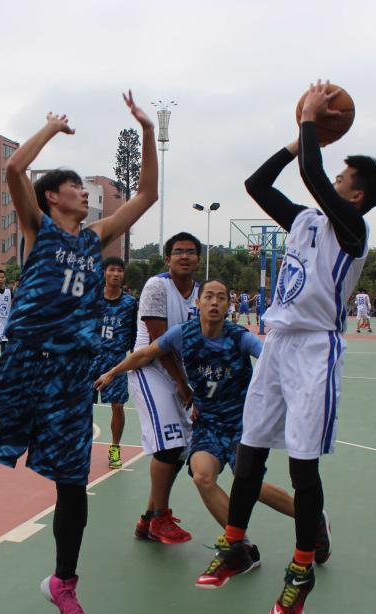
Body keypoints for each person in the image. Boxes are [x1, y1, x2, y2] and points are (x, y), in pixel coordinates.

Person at [0, 92, 157, 614]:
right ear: (54, 196)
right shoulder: (38, 228)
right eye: (76, 187)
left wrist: (147, 130)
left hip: (71, 376)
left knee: (72, 482)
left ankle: (64, 584)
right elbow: (12, 169)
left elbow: (147, 194)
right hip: (23, 364)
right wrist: (51, 128)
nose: (84, 193)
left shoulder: (95, 240)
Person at [208, 81, 376, 614]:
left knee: (303, 466)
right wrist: (296, 140)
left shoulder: (352, 228)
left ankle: (302, 567)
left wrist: (311, 119)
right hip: (277, 344)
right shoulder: (306, 222)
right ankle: (234, 542)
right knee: (249, 453)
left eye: (342, 178)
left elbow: (313, 174)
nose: (333, 180)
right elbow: (256, 184)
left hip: (315, 349)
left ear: (355, 196)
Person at [97, 279, 304, 586]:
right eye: (209, 296)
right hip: (208, 423)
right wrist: (113, 372)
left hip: (242, 424)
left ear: (228, 305)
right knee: (202, 475)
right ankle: (240, 547)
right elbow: (144, 354)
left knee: (252, 487)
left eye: (221, 297)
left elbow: (272, 360)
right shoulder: (183, 334)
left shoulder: (239, 337)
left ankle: (312, 519)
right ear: (198, 303)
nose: (214, 302)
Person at [129, 232, 201, 545]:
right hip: (149, 369)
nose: (185, 256)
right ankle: (160, 517)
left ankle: (148, 519)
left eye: (190, 251)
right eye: (178, 251)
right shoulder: (157, 286)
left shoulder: (200, 293)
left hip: (180, 374)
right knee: (169, 446)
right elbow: (159, 343)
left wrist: (195, 385)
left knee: (180, 450)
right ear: (168, 258)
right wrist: (182, 384)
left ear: (198, 258)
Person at [90, 257, 138, 469]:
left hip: (116, 360)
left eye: (120, 270)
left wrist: (135, 358)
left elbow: (135, 333)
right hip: (91, 358)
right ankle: (79, 447)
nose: (116, 274)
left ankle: (115, 447)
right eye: (112, 270)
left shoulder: (130, 303)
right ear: (104, 272)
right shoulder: (92, 298)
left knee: (117, 406)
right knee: (83, 405)